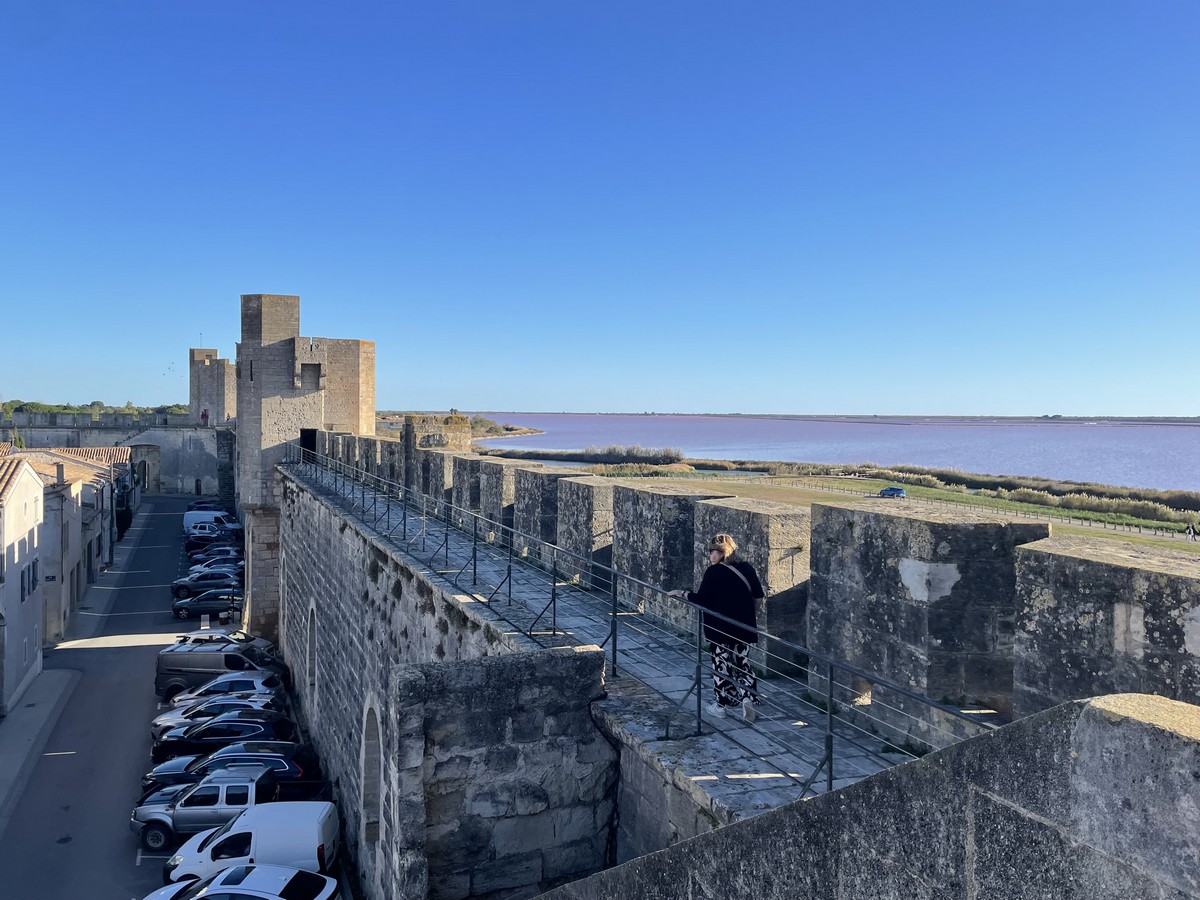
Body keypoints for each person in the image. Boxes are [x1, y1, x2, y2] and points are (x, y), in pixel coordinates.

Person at [669, 533, 764, 722]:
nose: (710, 555)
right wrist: (747, 615)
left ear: (722, 553)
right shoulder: (746, 568)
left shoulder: (713, 572)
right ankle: (747, 697)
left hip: (719, 629)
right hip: (743, 626)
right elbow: (758, 596)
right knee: (742, 663)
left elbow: (702, 600)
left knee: (721, 665)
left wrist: (682, 593)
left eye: (713, 551)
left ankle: (721, 706)